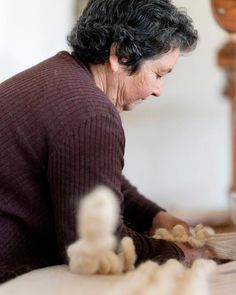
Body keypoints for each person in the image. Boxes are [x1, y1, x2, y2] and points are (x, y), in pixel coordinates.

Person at [0, 0, 201, 283]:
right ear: (119, 54)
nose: (158, 90)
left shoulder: (61, 75)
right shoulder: (91, 113)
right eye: (158, 74)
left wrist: (156, 217)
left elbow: (94, 178)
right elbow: (94, 247)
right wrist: (175, 252)